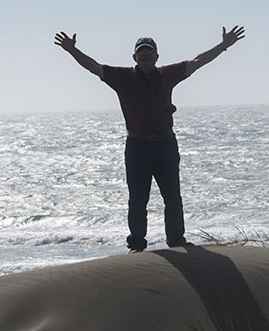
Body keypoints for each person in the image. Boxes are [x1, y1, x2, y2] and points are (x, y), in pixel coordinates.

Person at [54, 26, 245, 252]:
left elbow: (198, 61)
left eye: (149, 53)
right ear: (135, 57)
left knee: (172, 197)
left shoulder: (167, 74)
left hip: (165, 144)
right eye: (141, 54)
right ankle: (137, 245)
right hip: (137, 146)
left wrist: (223, 46)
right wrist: (72, 51)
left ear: (156, 57)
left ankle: (176, 241)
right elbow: (93, 67)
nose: (145, 57)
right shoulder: (122, 77)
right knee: (137, 200)